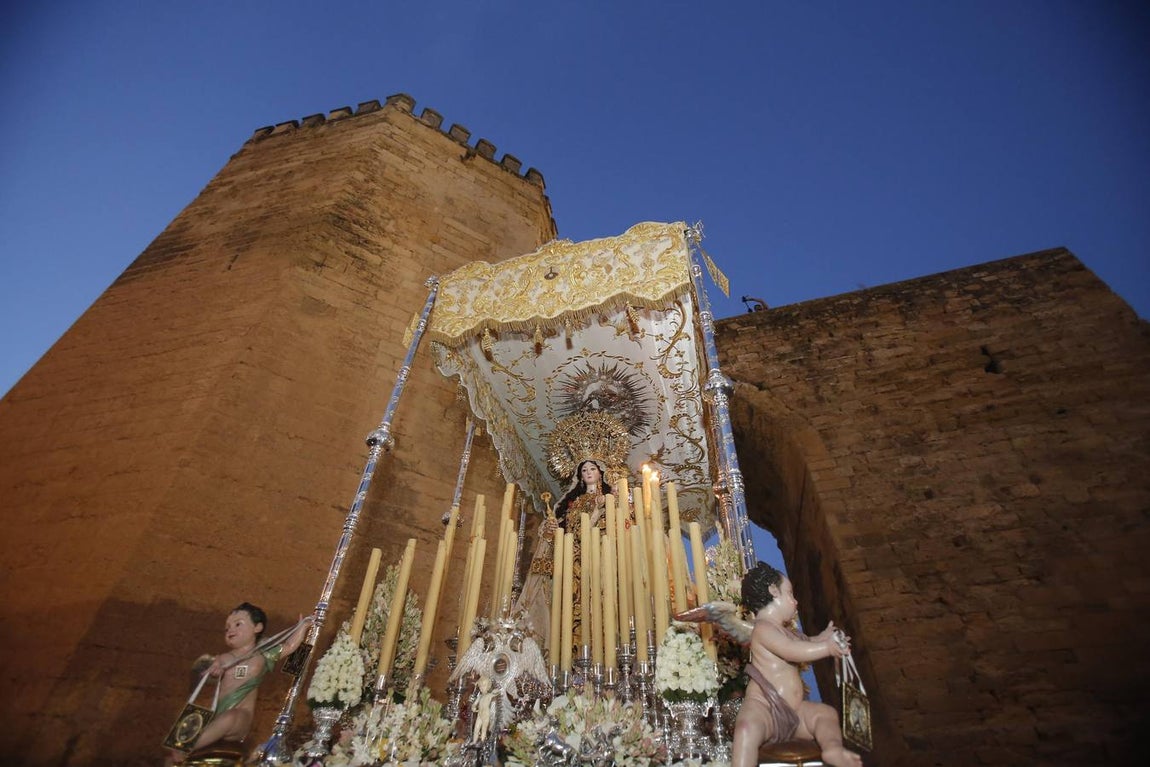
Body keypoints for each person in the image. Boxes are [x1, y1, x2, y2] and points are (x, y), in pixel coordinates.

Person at [733, 563, 862, 767]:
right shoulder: (763, 629)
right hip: (765, 709)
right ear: (773, 591)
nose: (795, 601)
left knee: (826, 714)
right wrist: (827, 648)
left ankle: (833, 749)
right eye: (790, 594)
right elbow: (792, 650)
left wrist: (821, 638)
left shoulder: (784, 630)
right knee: (746, 729)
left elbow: (803, 644)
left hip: (793, 712)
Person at [164, 603, 311, 764]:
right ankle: (182, 749)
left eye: (238, 624)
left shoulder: (263, 655)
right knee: (212, 721)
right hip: (217, 716)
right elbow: (208, 676)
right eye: (227, 628)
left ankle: (185, 748)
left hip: (241, 717)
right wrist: (214, 671)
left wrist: (302, 627)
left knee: (231, 718)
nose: (230, 630)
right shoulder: (223, 659)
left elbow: (289, 646)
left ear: (257, 627)